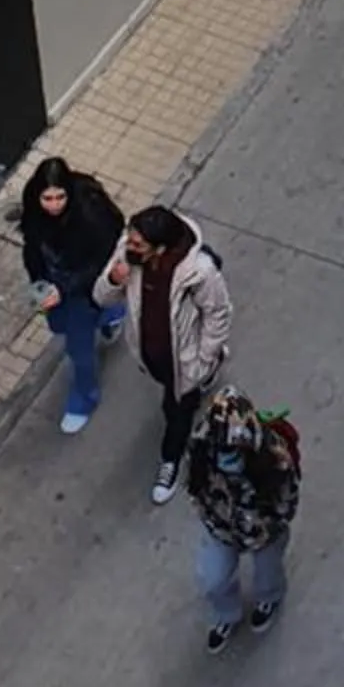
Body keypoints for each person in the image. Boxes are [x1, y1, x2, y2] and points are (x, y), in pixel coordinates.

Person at [108, 202, 233, 505]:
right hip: (151, 353)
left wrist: (202, 358)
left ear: (159, 248)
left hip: (185, 360)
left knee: (176, 410)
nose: (129, 244)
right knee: (170, 390)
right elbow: (102, 296)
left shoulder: (199, 272)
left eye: (138, 242)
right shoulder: (129, 254)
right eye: (130, 237)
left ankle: (171, 461)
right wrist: (114, 280)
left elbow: (218, 314)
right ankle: (211, 369)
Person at [185, 389, 303, 654]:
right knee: (211, 578)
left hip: (264, 532)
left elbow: (287, 501)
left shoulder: (274, 457)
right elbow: (194, 488)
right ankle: (227, 614)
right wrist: (217, 521)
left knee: (267, 572)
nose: (230, 456)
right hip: (222, 527)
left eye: (236, 450)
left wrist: (264, 528)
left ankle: (269, 598)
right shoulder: (202, 449)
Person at [18, 153, 126, 436]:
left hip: (83, 286)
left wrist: (64, 289)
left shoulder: (89, 216)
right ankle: (112, 315)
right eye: (47, 199)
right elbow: (31, 248)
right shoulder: (35, 215)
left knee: (79, 350)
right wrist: (40, 282)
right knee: (58, 324)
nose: (53, 206)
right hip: (56, 282)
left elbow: (101, 260)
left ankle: (84, 399)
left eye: (59, 198)